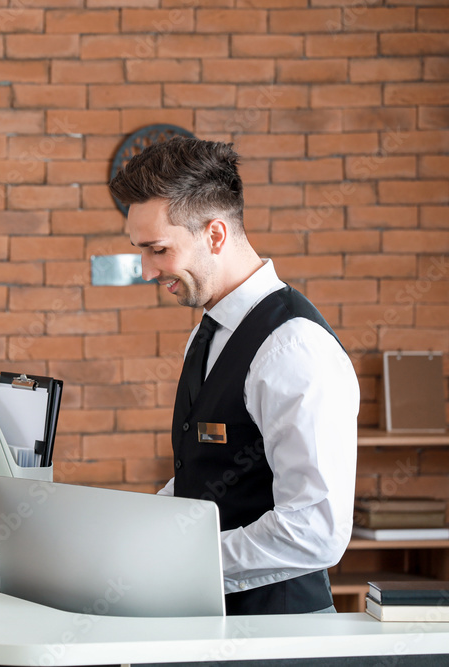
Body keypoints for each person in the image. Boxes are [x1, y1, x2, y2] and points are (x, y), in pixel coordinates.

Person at [109, 138, 358, 615]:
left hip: (275, 638)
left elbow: (314, 532)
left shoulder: (293, 347)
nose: (146, 271)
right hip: (208, 623)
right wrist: (128, 534)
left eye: (157, 250)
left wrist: (177, 559)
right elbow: (205, 476)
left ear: (215, 235)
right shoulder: (211, 329)